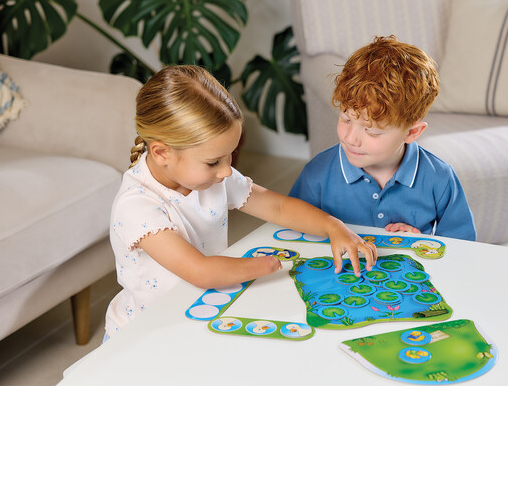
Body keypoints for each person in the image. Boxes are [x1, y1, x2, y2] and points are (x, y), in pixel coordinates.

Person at [104, 65, 376, 340]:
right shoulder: (136, 207)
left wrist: (333, 226)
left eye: (230, 155)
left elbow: (278, 207)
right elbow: (200, 271)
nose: (226, 171)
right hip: (145, 334)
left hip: (197, 313)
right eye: (214, 162)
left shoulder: (212, 177)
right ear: (162, 153)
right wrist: (271, 265)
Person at [289, 36, 476, 241]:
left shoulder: (439, 178)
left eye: (372, 131)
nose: (350, 138)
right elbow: (290, 233)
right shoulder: (317, 173)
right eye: (345, 118)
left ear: (411, 133)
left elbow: (462, 246)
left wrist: (418, 243)